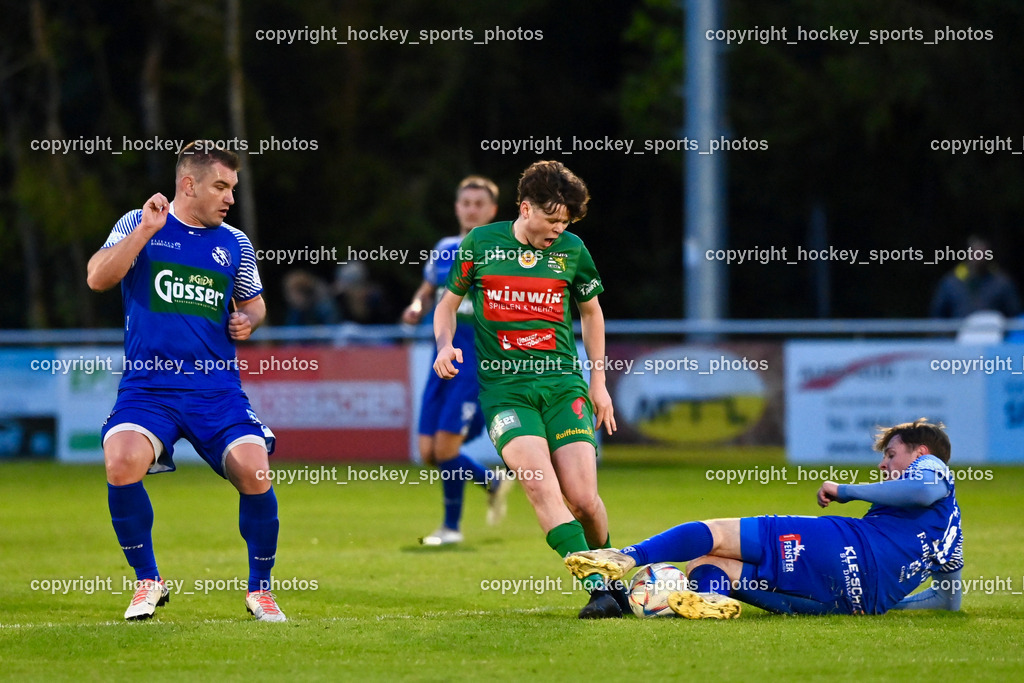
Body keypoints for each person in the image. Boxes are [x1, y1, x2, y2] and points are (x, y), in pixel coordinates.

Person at [86, 141, 285, 622]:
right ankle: (148, 581)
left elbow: (254, 302)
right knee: (121, 462)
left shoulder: (234, 243)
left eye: (233, 188)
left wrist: (249, 322)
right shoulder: (140, 222)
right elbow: (97, 277)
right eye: (221, 186)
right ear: (188, 184)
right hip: (149, 388)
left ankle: (260, 590)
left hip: (215, 389)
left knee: (255, 472)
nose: (229, 198)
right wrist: (145, 232)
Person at [433, 160, 621, 618]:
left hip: (562, 387)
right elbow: (447, 305)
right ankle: (598, 587)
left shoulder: (573, 250)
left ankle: (616, 573)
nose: (559, 229)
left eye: (566, 222)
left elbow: (592, 313)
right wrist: (443, 346)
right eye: (552, 219)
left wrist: (598, 381)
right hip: (506, 392)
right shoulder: (480, 244)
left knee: (583, 500)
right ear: (525, 208)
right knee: (540, 486)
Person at [565, 418, 964, 618]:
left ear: (921, 451)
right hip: (854, 602)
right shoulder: (952, 531)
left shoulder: (932, 469)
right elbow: (947, 600)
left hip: (844, 546)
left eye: (890, 455)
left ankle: (625, 556)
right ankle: (710, 600)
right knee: (708, 564)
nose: (882, 465)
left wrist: (847, 490)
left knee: (714, 533)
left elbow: (924, 489)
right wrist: (886, 602)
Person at [402, 176, 511, 545]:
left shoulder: (501, 254)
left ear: (493, 211)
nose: (472, 209)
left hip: (474, 368)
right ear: (457, 207)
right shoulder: (446, 248)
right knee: (429, 453)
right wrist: (417, 305)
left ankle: (451, 528)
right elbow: (429, 287)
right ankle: (492, 480)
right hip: (440, 363)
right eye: (466, 202)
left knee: (447, 450)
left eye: (479, 203)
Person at [930, 236, 1021, 318]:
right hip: (959, 335)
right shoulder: (951, 282)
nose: (979, 258)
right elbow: (938, 315)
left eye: (983, 253)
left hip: (994, 334)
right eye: (976, 253)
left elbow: (1014, 315)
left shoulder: (1002, 283)